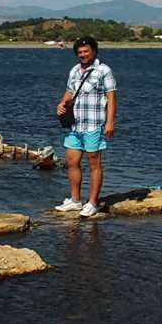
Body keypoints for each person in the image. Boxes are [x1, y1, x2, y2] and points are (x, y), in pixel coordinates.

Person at [54, 36, 117, 218]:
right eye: (80, 52)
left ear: (94, 51)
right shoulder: (74, 70)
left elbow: (111, 97)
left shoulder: (103, 70)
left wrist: (110, 122)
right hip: (76, 124)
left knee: (94, 163)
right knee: (72, 161)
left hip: (94, 123)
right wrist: (62, 103)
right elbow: (70, 91)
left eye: (86, 51)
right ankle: (75, 201)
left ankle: (93, 202)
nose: (83, 54)